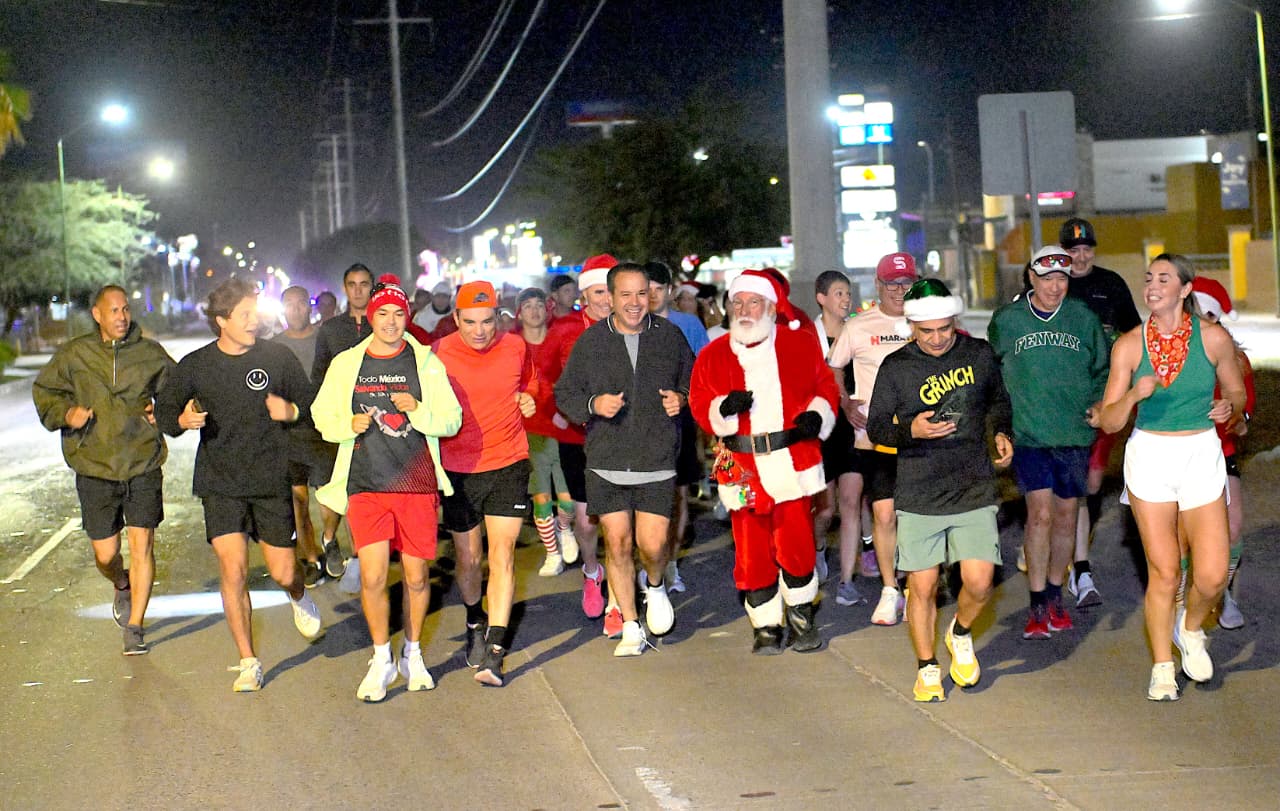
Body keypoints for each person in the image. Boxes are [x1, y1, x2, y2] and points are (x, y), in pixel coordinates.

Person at [155, 277, 323, 692]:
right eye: (245, 314)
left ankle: (299, 596)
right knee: (233, 570)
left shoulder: (277, 357)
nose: (254, 320)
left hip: (269, 479)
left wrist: (291, 410)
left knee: (284, 571)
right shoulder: (195, 365)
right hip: (220, 482)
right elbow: (164, 413)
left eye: (255, 312)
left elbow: (310, 404)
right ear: (222, 321)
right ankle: (248, 661)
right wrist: (180, 421)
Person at [1094, 255, 1245, 701]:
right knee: (1163, 572)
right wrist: (1134, 395)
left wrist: (1230, 409)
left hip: (1200, 451)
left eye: (1164, 279)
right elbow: (1107, 421)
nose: (1153, 285)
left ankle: (1191, 627)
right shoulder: (1129, 346)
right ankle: (1162, 667)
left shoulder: (1212, 338)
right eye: (1149, 279)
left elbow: (1235, 391)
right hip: (1151, 455)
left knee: (1214, 574)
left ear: (1184, 289)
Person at [312, 275, 461, 701]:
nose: (391, 322)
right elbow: (322, 414)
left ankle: (413, 654)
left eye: (399, 314)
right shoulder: (347, 364)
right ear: (371, 315)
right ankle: (381, 659)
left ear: (407, 316)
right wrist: (347, 425)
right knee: (373, 576)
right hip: (365, 484)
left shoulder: (426, 363)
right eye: (383, 314)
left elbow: (451, 420)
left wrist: (420, 410)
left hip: (415, 484)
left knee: (415, 577)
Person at [866, 279, 1013, 702]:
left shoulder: (980, 354)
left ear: (955, 322)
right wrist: (909, 430)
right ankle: (927, 667)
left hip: (972, 484)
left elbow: (999, 400)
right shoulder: (896, 366)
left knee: (980, 581)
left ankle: (961, 633)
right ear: (912, 326)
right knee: (924, 585)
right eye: (926, 331)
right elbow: (877, 426)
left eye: (944, 329)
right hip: (918, 487)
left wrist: (1002, 432)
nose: (935, 339)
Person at [689, 269, 839, 655]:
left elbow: (825, 387)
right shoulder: (713, 354)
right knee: (751, 548)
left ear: (771, 307)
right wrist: (722, 408)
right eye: (736, 303)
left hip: (792, 459)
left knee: (797, 543)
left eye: (752, 302)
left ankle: (802, 617)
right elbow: (698, 403)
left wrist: (817, 416)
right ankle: (766, 626)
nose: (743, 310)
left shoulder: (799, 345)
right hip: (740, 464)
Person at [556, 262, 694, 656]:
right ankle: (632, 626)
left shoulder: (669, 336)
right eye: (625, 295)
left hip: (656, 457)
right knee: (616, 543)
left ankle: (654, 583)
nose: (635, 303)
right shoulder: (591, 342)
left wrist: (681, 398)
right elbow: (565, 393)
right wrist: (592, 404)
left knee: (652, 546)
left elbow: (693, 378)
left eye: (641, 294)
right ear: (611, 298)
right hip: (606, 459)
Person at [33, 284, 174, 655]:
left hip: (142, 461)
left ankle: (135, 626)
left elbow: (177, 392)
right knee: (105, 554)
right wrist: (67, 414)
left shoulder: (149, 353)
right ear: (97, 315)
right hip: (94, 466)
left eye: (125, 309)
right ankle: (121, 583)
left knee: (142, 544)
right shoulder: (75, 355)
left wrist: (165, 414)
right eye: (114, 311)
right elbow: (45, 390)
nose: (122, 317)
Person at [988, 246, 1109, 640]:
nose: (1055, 287)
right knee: (1038, 513)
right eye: (1046, 279)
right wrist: (999, 426)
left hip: (1072, 433)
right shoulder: (1008, 321)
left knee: (1066, 515)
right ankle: (1037, 600)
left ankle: (1056, 594)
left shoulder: (1083, 319)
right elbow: (992, 375)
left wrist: (1097, 402)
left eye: (1062, 279)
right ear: (1030, 277)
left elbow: (1104, 370)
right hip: (1030, 433)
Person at [434, 280, 539, 686]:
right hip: (458, 468)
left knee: (503, 555)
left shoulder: (515, 346)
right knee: (469, 559)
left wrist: (530, 396)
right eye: (470, 321)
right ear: (455, 318)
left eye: (488, 320)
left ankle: (496, 650)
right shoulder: (438, 354)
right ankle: (475, 621)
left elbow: (532, 382)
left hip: (508, 463)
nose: (480, 330)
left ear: (499, 316)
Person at [827, 252, 918, 625]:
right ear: (878, 285)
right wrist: (846, 402)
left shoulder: (927, 322)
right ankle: (889, 589)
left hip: (922, 436)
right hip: (876, 438)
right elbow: (833, 368)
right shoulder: (859, 326)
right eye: (892, 283)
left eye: (906, 283)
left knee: (916, 516)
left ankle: (917, 585)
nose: (899, 290)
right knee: (883, 514)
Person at [1061, 218, 1143, 607]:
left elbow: (1135, 333)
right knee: (1071, 481)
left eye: (1086, 249)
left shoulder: (1110, 284)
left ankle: (1075, 543)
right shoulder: (1053, 284)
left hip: (1105, 394)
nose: (1080, 257)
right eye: (1072, 251)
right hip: (1064, 397)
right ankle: (1079, 565)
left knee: (1093, 480)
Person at [544, 253, 615, 630]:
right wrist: (559, 410)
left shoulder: (637, 327)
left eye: (612, 291)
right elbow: (544, 377)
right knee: (588, 523)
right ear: (585, 295)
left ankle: (621, 598)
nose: (607, 299)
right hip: (579, 439)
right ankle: (592, 573)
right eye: (600, 292)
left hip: (625, 437)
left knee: (622, 522)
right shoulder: (566, 329)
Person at [1186, 277, 1254, 629]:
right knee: (1186, 536)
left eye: (1208, 316)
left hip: (1220, 451)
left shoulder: (1233, 358)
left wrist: (1234, 416)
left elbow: (1245, 413)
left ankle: (1221, 592)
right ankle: (1188, 602)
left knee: (1233, 526)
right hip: (1176, 456)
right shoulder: (1164, 351)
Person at [645, 259, 709, 593]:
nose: (653, 295)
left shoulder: (690, 324)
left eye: (659, 289)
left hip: (681, 419)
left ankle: (670, 564)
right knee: (649, 498)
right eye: (648, 289)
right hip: (642, 424)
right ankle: (650, 564)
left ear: (670, 291)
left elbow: (704, 372)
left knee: (679, 496)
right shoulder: (632, 323)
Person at [272, 285, 342, 585]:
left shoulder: (324, 339)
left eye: (301, 304)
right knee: (297, 502)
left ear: (309, 307)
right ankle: (311, 557)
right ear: (282, 308)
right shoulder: (272, 346)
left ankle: (330, 538)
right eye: (289, 304)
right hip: (288, 435)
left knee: (329, 499)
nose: (296, 309)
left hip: (323, 429)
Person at [311, 263, 376, 582]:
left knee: (363, 490)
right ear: (345, 288)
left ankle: (360, 555)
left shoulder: (384, 324)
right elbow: (319, 376)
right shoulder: (331, 329)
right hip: (339, 421)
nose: (359, 290)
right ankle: (329, 538)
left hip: (375, 422)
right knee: (333, 486)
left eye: (364, 284)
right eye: (353, 284)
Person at [807, 269, 866, 606]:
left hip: (855, 426)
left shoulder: (859, 331)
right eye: (839, 293)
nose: (846, 299)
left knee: (851, 502)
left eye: (848, 293)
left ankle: (847, 580)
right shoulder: (807, 338)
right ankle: (817, 550)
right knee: (825, 510)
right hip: (823, 430)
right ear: (822, 298)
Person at [514, 287, 579, 576]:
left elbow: (569, 379)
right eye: (527, 306)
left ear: (547, 308)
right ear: (519, 313)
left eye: (538, 304)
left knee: (567, 496)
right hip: (529, 428)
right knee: (541, 494)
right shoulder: (513, 346)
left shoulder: (559, 339)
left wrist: (563, 411)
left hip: (563, 425)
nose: (534, 311)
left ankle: (565, 528)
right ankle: (552, 554)